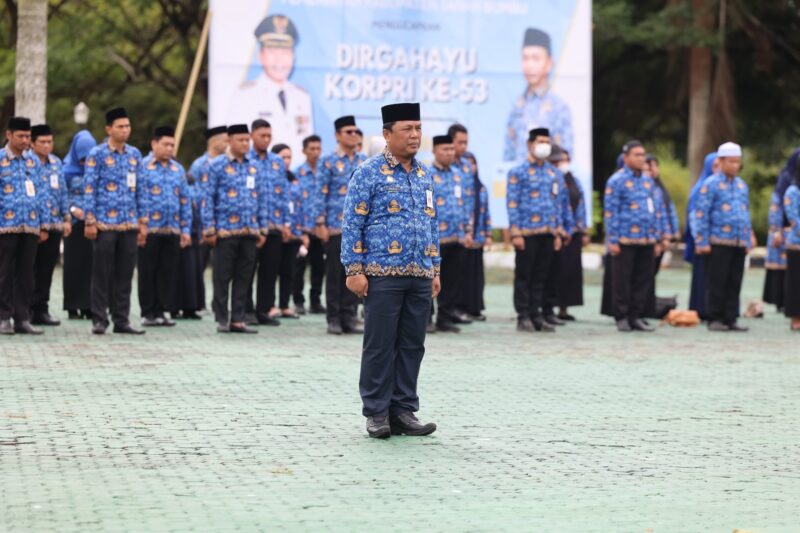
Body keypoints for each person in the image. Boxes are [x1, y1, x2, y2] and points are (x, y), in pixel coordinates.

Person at [341, 102, 440, 438]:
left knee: (413, 344)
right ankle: (377, 412)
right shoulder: (368, 173)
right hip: (382, 273)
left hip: (420, 273)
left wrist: (435, 268)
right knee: (380, 344)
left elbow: (431, 223)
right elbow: (353, 222)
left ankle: (403, 410)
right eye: (407, 129)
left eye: (418, 128)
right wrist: (354, 268)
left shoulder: (426, 174)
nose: (415, 136)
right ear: (387, 134)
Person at [82, 107, 147, 335]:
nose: (125, 130)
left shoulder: (135, 155)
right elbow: (89, 189)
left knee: (125, 274)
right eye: (120, 126)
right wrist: (89, 221)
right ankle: (99, 319)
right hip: (104, 224)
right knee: (102, 273)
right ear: (108, 129)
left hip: (129, 223)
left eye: (128, 126)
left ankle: (122, 319)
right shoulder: (97, 154)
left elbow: (141, 189)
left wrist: (143, 222)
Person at [201, 124, 267, 334]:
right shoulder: (217, 165)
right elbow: (207, 198)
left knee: (244, 277)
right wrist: (209, 228)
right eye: (241, 140)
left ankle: (238, 318)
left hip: (249, 231)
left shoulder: (254, 166)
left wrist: (262, 228)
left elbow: (262, 198)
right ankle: (222, 318)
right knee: (222, 275)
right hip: (225, 231)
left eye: (247, 140)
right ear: (229, 141)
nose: (245, 144)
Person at [506, 127, 573, 333]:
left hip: (548, 233)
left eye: (547, 141)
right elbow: (512, 203)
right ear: (530, 144)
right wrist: (515, 232)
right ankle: (523, 315)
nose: (544, 145)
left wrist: (559, 232)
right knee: (525, 276)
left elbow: (560, 203)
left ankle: (538, 315)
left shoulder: (554, 173)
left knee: (542, 276)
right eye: (540, 141)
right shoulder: (518, 172)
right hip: (526, 233)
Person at [603, 140, 669, 333]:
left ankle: (636, 315)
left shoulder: (648, 181)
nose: (642, 159)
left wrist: (659, 237)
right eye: (637, 155)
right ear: (626, 158)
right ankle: (622, 316)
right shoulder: (616, 181)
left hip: (647, 239)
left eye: (643, 155)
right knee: (623, 280)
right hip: (624, 239)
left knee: (643, 279)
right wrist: (612, 239)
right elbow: (610, 212)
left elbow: (655, 210)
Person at [227, 14, 312, 160]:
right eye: (273, 51)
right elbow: (237, 145)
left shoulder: (302, 97)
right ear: (261, 55)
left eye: (285, 52)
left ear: (293, 56)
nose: (279, 59)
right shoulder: (244, 95)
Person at [693, 142, 754, 332]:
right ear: (720, 162)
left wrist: (748, 236)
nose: (735, 166)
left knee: (734, 281)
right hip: (718, 241)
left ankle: (730, 318)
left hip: (738, 241)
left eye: (738, 162)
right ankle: (715, 318)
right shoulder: (710, 184)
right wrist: (701, 240)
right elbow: (701, 213)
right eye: (732, 162)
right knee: (717, 282)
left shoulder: (741, 185)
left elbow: (745, 212)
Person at [315, 115, 367, 335]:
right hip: (336, 226)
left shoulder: (364, 160)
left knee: (356, 272)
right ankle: (333, 318)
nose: (354, 135)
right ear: (337, 135)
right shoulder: (327, 161)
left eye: (356, 131)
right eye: (348, 132)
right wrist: (320, 223)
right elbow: (320, 193)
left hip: (360, 229)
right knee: (335, 274)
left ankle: (349, 317)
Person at [137, 126, 192, 327]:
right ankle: (147, 312)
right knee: (147, 271)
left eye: (172, 145)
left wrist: (185, 230)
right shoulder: (142, 166)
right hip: (150, 229)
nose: (169, 149)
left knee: (167, 273)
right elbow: (138, 197)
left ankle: (161, 311)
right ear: (154, 144)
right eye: (165, 144)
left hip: (172, 229)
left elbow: (185, 200)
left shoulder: (178, 169)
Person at [0, 117, 49, 335]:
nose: (25, 140)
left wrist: (43, 224)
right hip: (5, 226)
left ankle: (22, 317)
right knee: (4, 273)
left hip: (29, 226)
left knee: (26, 274)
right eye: (20, 136)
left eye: (28, 136)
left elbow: (41, 193)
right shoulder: (0, 159)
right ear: (9, 135)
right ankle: (3, 317)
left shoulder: (32, 162)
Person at [504, 28, 573, 162]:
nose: (529, 65)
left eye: (535, 59)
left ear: (549, 63)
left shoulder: (559, 108)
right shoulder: (516, 106)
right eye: (525, 58)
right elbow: (508, 153)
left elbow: (566, 154)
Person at [248, 119, 291, 326]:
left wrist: (286, 223)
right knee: (247, 270)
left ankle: (263, 310)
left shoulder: (276, 162)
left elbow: (284, 193)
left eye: (268, 136)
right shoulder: (245, 159)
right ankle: (246, 310)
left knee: (269, 270)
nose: (266, 140)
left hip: (274, 224)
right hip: (251, 226)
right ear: (252, 135)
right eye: (261, 136)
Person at [449, 123, 491, 321]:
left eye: (466, 143)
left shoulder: (466, 167)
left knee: (461, 273)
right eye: (459, 142)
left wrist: (470, 229)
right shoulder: (445, 167)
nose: (463, 147)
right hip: (446, 230)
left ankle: (458, 309)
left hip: (466, 228)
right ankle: (444, 312)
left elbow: (469, 200)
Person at [30, 124, 71, 326]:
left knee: (47, 270)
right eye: (42, 142)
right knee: (29, 269)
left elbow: (63, 192)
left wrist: (66, 217)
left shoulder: (56, 163)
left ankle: (41, 309)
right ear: (32, 143)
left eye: (50, 141)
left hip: (54, 225)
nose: (47, 145)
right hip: (31, 225)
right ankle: (25, 309)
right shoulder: (27, 163)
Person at [430, 134, 471, 333]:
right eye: (444, 149)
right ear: (434, 150)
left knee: (452, 281)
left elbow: (466, 204)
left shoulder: (458, 174)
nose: (448, 153)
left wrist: (468, 231)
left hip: (457, 236)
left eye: (451, 149)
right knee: (428, 279)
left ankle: (445, 318)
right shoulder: (426, 173)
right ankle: (426, 319)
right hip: (435, 238)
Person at [186, 125, 228, 314]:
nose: (228, 144)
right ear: (215, 141)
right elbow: (193, 193)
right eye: (225, 140)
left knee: (222, 268)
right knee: (199, 266)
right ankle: (196, 303)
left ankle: (218, 303)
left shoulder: (227, 164)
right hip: (203, 223)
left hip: (224, 224)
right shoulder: (200, 164)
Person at [544, 147, 589, 321]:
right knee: (553, 272)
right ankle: (547, 308)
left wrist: (582, 229)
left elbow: (580, 206)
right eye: (557, 161)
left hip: (573, 232)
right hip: (555, 232)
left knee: (570, 272)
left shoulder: (574, 181)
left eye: (563, 160)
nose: (561, 164)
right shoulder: (549, 180)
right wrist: (558, 229)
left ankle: (564, 308)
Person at [269, 143, 308, 318]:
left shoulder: (294, 179)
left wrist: (302, 232)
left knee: (288, 271)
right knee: (272, 269)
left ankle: (285, 305)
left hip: (294, 232)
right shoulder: (271, 178)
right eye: (282, 157)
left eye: (289, 157)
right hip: (277, 230)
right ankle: (269, 305)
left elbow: (300, 207)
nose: (286, 161)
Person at [61, 129, 97, 320]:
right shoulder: (66, 170)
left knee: (91, 266)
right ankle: (73, 306)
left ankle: (89, 305)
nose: (84, 163)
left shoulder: (97, 168)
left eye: (87, 159)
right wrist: (73, 210)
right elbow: (59, 195)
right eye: (82, 159)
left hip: (92, 224)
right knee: (74, 265)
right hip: (73, 224)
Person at [292, 134, 326, 315]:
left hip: (320, 229)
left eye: (318, 148)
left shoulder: (325, 171)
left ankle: (315, 300)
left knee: (319, 267)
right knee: (299, 266)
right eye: (311, 149)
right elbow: (294, 202)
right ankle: (298, 300)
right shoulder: (298, 173)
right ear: (304, 150)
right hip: (303, 228)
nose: (315, 152)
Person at [763, 149, 799, 311]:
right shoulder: (786, 183)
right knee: (787, 271)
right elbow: (776, 207)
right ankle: (782, 303)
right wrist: (776, 230)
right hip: (787, 232)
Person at [685, 152, 719, 319]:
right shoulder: (701, 188)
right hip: (703, 241)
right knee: (702, 277)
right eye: (715, 166)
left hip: (719, 240)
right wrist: (700, 239)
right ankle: (702, 309)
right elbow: (694, 216)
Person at [459, 150, 492, 321]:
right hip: (464, 238)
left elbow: (485, 212)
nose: (471, 166)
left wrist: (488, 234)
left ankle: (475, 308)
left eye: (473, 162)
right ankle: (461, 308)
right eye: (467, 162)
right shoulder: (461, 187)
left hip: (478, 239)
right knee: (462, 275)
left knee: (476, 276)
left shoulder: (481, 187)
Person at [645, 154, 681, 274]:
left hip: (662, 235)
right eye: (649, 167)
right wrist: (656, 239)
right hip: (649, 238)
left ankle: (650, 293)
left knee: (653, 270)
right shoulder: (644, 188)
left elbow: (667, 212)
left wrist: (669, 234)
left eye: (656, 166)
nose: (653, 169)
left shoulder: (659, 188)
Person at [782, 172, 800, 331]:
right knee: (796, 283)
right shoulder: (793, 191)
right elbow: (794, 218)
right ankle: (796, 318)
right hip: (796, 244)